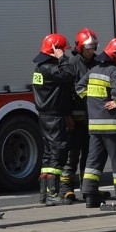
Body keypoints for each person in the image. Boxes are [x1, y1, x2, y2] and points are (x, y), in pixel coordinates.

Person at [76, 37, 116, 208]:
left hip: (95, 125)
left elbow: (79, 88)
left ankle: (89, 195)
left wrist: (93, 101)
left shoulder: (93, 70)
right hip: (113, 125)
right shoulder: (115, 72)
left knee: (93, 161)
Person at [32, 33, 77, 206]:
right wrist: (62, 58)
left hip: (48, 116)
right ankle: (53, 194)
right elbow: (69, 74)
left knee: (49, 154)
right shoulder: (49, 68)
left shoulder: (41, 67)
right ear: (54, 50)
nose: (64, 53)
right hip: (53, 117)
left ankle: (45, 194)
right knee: (58, 151)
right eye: (62, 49)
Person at [60, 27, 99, 202]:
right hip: (75, 118)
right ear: (80, 47)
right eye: (89, 47)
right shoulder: (72, 63)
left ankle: (87, 188)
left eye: (94, 47)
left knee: (89, 154)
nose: (92, 51)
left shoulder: (97, 63)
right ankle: (66, 188)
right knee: (72, 154)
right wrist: (67, 114)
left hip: (92, 116)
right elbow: (66, 91)